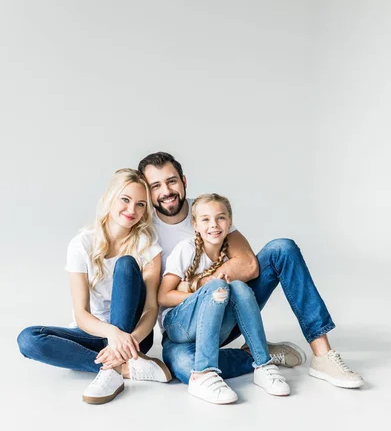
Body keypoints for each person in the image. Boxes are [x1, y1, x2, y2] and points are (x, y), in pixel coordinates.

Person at [138, 152, 364, 390]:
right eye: (156, 185)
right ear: (147, 191)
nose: (166, 191)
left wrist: (204, 284)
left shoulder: (207, 212)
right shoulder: (144, 229)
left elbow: (249, 265)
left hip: (229, 309)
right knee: (186, 367)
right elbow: (158, 295)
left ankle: (322, 355)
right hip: (183, 329)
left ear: (184, 181)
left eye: (171, 181)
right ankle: (257, 354)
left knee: (281, 249)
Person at [17, 168, 172, 405]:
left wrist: (127, 340)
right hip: (96, 333)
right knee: (28, 339)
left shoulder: (147, 246)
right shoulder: (81, 244)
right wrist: (111, 333)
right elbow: (81, 314)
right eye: (125, 199)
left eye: (141, 204)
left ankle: (112, 369)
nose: (132, 210)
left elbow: (151, 309)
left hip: (135, 337)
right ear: (110, 198)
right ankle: (123, 368)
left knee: (126, 264)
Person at [158, 193, 290, 404]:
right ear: (195, 224)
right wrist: (202, 294)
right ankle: (203, 372)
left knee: (239, 287)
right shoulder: (186, 249)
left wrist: (213, 292)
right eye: (206, 219)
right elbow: (163, 296)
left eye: (220, 218)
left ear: (229, 222)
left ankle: (262, 364)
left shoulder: (231, 256)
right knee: (218, 286)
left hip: (212, 330)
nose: (214, 225)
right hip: (179, 327)